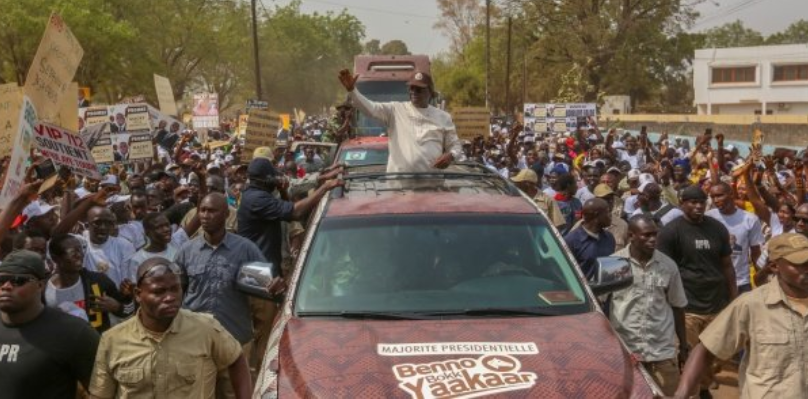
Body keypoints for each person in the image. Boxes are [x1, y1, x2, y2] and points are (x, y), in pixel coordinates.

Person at [88, 257, 251, 399]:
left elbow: (236, 359)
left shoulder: (205, 329)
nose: (170, 298)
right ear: (138, 294)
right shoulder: (113, 340)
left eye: (175, 289)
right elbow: (100, 394)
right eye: (159, 292)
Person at [674, 232, 808, 399]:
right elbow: (706, 350)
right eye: (799, 264)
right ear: (774, 266)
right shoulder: (752, 305)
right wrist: (681, 394)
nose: (806, 269)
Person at [656, 185, 736, 399]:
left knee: (716, 355)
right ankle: (695, 392)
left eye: (701, 202)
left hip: (717, 303)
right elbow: (663, 269)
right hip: (687, 306)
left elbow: (727, 264)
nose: (698, 206)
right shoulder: (670, 231)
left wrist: (734, 297)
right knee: (689, 354)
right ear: (682, 204)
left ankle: (703, 385)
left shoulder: (717, 228)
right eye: (692, 202)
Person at [0, 250, 100, 398]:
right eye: (1, 280)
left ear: (40, 286)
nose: (6, 286)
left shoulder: (74, 332)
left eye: (18, 280)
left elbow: (103, 391)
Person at [610, 215, 688, 396]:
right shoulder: (614, 265)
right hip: (626, 351)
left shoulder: (668, 266)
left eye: (655, 234)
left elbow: (678, 306)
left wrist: (683, 346)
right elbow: (599, 305)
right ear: (631, 236)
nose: (652, 239)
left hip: (661, 350)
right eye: (646, 235)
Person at [338, 69, 462, 173]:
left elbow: (455, 146)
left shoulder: (443, 117)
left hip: (432, 186)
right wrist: (352, 91)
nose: (414, 92)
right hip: (397, 186)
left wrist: (451, 156)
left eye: (419, 89)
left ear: (430, 92)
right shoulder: (395, 110)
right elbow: (371, 109)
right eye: (411, 88)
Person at [238, 157, 342, 277]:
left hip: (266, 267)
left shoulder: (256, 195)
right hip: (258, 272)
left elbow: (289, 215)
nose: (276, 180)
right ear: (265, 180)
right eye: (273, 178)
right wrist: (324, 188)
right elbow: (296, 212)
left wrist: (283, 191)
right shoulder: (257, 199)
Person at [46, 235, 134, 332]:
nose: (79, 255)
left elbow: (130, 309)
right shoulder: (43, 289)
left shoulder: (98, 281)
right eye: (72, 252)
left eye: (80, 250)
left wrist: (116, 307)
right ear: (55, 259)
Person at [706, 182, 764, 294]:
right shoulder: (708, 218)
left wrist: (761, 277)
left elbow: (755, 252)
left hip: (742, 282)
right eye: (712, 197)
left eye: (719, 195)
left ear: (731, 194)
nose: (716, 200)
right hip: (716, 281)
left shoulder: (750, 219)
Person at [563, 198, 615, 279]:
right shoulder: (571, 241)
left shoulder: (609, 238)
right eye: (607, 212)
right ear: (597, 216)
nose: (611, 215)